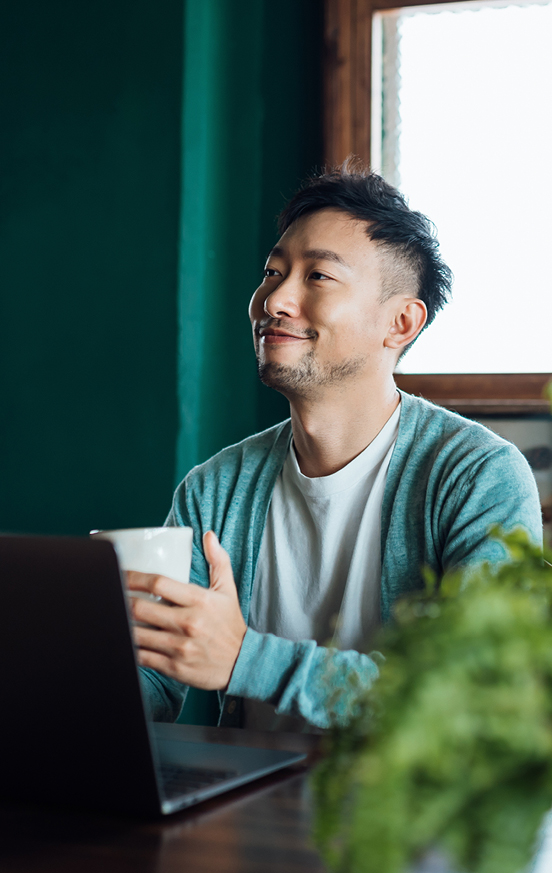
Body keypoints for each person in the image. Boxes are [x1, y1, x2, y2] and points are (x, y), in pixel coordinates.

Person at [128, 163, 542, 731]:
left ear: (400, 323)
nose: (274, 300)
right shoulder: (213, 489)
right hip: (240, 816)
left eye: (317, 276)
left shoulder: (476, 476)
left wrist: (246, 659)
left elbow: (471, 695)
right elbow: (153, 676)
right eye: (272, 273)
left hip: (409, 817)